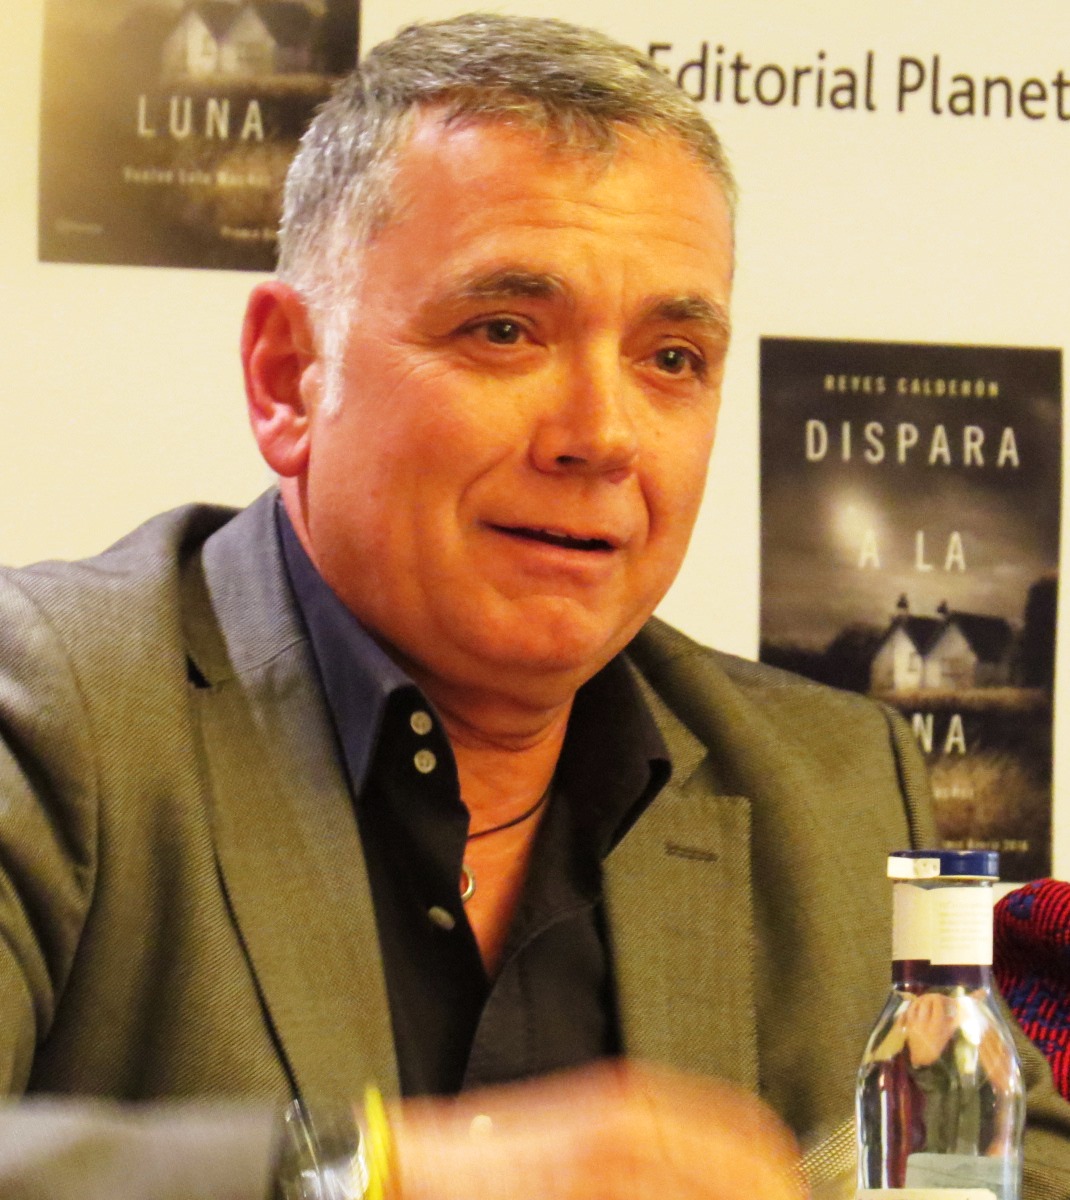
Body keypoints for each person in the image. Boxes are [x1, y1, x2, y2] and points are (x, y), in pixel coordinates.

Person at [0, 12, 1068, 1200]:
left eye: (670, 358)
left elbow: (1011, 1165)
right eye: (504, 331)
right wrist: (387, 1177)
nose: (601, 436)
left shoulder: (833, 781)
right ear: (288, 378)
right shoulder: (51, 702)